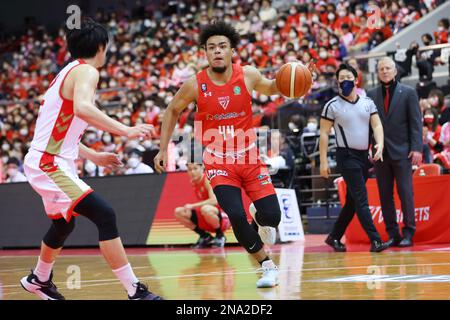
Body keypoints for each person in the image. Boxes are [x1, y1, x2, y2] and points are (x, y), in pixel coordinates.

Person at [20, 18, 162, 300]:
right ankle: (135, 291)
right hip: (48, 162)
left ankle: (39, 279)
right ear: (100, 46)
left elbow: (62, 129)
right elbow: (84, 109)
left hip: (49, 158)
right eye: (106, 47)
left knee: (64, 224)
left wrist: (93, 155)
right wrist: (127, 130)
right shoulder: (87, 72)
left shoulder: (66, 72)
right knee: (104, 214)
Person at [154, 22, 289, 288]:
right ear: (205, 52)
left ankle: (258, 214)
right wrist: (162, 148)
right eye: (212, 47)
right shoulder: (195, 84)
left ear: (232, 51)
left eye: (222, 46)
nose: (217, 51)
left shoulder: (248, 74)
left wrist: (296, 77)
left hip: (249, 157)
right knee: (236, 216)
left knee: (272, 217)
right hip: (218, 161)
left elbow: (273, 87)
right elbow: (171, 110)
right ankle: (267, 266)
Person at [320, 63, 389, 253]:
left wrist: (380, 144)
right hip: (346, 156)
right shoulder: (331, 106)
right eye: (341, 79)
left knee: (352, 201)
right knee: (361, 198)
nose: (344, 82)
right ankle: (375, 240)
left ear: (356, 80)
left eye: (347, 78)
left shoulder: (367, 103)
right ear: (337, 82)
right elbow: (324, 134)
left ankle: (333, 237)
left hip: (363, 157)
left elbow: (377, 126)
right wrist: (324, 162)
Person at [367, 57, 422, 248]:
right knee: (384, 195)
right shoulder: (370, 94)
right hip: (380, 153)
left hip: (403, 151)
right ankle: (393, 234)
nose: (384, 71)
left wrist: (416, 148)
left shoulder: (408, 93)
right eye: (381, 68)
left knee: (406, 193)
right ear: (377, 72)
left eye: (388, 68)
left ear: (395, 71)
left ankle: (408, 232)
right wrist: (369, 146)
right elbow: (368, 125)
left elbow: (416, 123)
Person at [174, 162, 230, 248]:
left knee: (205, 209)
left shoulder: (207, 179)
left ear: (202, 168)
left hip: (222, 216)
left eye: (195, 169)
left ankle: (220, 235)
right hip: (207, 215)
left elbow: (214, 201)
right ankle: (205, 236)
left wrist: (193, 206)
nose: (192, 172)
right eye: (190, 169)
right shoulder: (194, 181)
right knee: (179, 212)